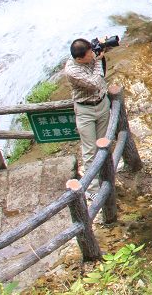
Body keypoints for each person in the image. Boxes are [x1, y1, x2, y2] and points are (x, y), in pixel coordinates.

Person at [64, 38, 121, 194]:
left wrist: (103, 46)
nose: (92, 54)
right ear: (79, 58)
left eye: (92, 51)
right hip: (85, 111)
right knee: (90, 150)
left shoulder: (88, 55)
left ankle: (107, 177)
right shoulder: (72, 71)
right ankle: (94, 190)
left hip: (102, 104)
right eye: (90, 54)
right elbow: (95, 83)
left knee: (104, 143)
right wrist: (97, 60)